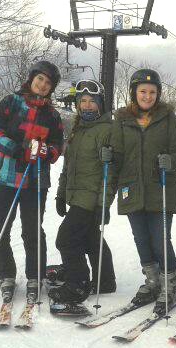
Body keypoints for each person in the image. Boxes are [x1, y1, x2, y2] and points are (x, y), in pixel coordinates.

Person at [0, 60, 64, 303]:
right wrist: (19, 150)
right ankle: (6, 275)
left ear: (51, 89)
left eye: (48, 83)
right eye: (40, 79)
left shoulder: (52, 115)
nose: (42, 85)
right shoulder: (11, 102)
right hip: (7, 176)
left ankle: (34, 276)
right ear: (31, 79)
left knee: (32, 231)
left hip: (35, 181)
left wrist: (44, 152)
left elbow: (58, 147)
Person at [109, 69, 176, 312]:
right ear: (134, 92)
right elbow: (118, 152)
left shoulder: (167, 117)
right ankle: (152, 281)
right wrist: (109, 157)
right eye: (143, 91)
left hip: (159, 187)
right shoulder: (121, 119)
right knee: (141, 238)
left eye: (152, 92)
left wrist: (170, 161)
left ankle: (169, 284)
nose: (147, 96)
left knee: (161, 238)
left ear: (158, 94)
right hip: (131, 188)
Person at [48, 79, 116, 305]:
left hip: (91, 198)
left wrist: (103, 204)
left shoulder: (108, 130)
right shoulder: (79, 129)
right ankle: (104, 279)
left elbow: (111, 173)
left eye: (92, 102)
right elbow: (68, 166)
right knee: (90, 237)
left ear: (101, 104)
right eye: (82, 101)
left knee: (66, 239)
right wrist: (61, 194)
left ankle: (77, 285)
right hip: (76, 196)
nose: (87, 105)